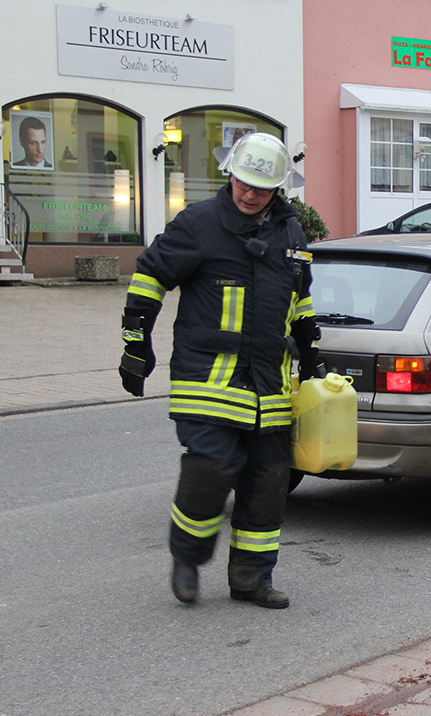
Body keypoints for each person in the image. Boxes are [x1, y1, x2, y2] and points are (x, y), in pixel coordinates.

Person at [118, 132, 322, 609]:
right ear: (229, 174)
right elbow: (150, 276)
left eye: (261, 188)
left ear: (278, 189)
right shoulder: (199, 223)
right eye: (242, 182)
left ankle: (252, 578)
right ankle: (187, 557)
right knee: (212, 466)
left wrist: (312, 353)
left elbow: (300, 299)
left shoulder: (291, 235)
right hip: (207, 379)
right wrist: (135, 343)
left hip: (269, 386)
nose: (249, 194)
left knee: (269, 479)